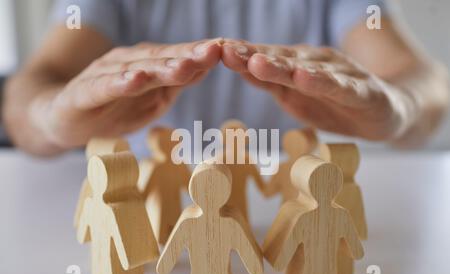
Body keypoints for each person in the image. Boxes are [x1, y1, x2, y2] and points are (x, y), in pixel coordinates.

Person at [2, 0, 449, 158]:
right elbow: (38, 80)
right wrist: (47, 118)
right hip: (148, 194)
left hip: (284, 196)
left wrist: (402, 110)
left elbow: (423, 79)